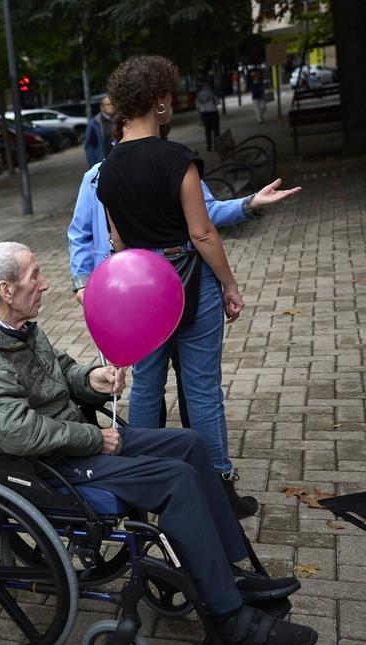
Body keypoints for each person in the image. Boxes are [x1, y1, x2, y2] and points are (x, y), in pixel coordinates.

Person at [0, 242, 317, 645]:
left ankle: (227, 571)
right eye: (35, 277)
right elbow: (18, 433)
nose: (45, 284)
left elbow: (61, 370)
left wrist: (90, 378)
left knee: (188, 444)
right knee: (175, 480)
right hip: (41, 465)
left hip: (70, 441)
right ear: (6, 290)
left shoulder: (19, 324)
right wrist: (96, 439)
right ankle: (230, 619)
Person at [96, 55, 256, 516]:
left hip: (141, 285)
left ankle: (145, 476)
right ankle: (217, 486)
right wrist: (229, 284)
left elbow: (119, 240)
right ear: (161, 101)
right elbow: (202, 233)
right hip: (189, 280)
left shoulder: (107, 169)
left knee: (146, 385)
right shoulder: (178, 159)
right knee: (202, 387)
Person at [68, 159, 301, 441]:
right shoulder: (98, 175)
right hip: (127, 290)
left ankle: (186, 452)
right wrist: (82, 283)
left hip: (183, 281)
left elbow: (206, 212)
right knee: (149, 382)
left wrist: (250, 204)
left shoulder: (169, 163)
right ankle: (159, 458)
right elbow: (80, 233)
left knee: (187, 379)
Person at [83, 96, 115, 166]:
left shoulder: (118, 120)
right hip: (102, 163)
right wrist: (93, 164)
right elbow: (88, 145)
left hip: (118, 161)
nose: (111, 106)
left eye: (112, 104)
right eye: (108, 104)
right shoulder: (94, 123)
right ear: (102, 107)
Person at [197, 83, 221, 152]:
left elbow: (198, 106)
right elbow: (218, 102)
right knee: (216, 130)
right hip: (213, 112)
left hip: (204, 113)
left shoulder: (199, 95)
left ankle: (209, 147)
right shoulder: (212, 92)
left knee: (207, 131)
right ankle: (217, 146)